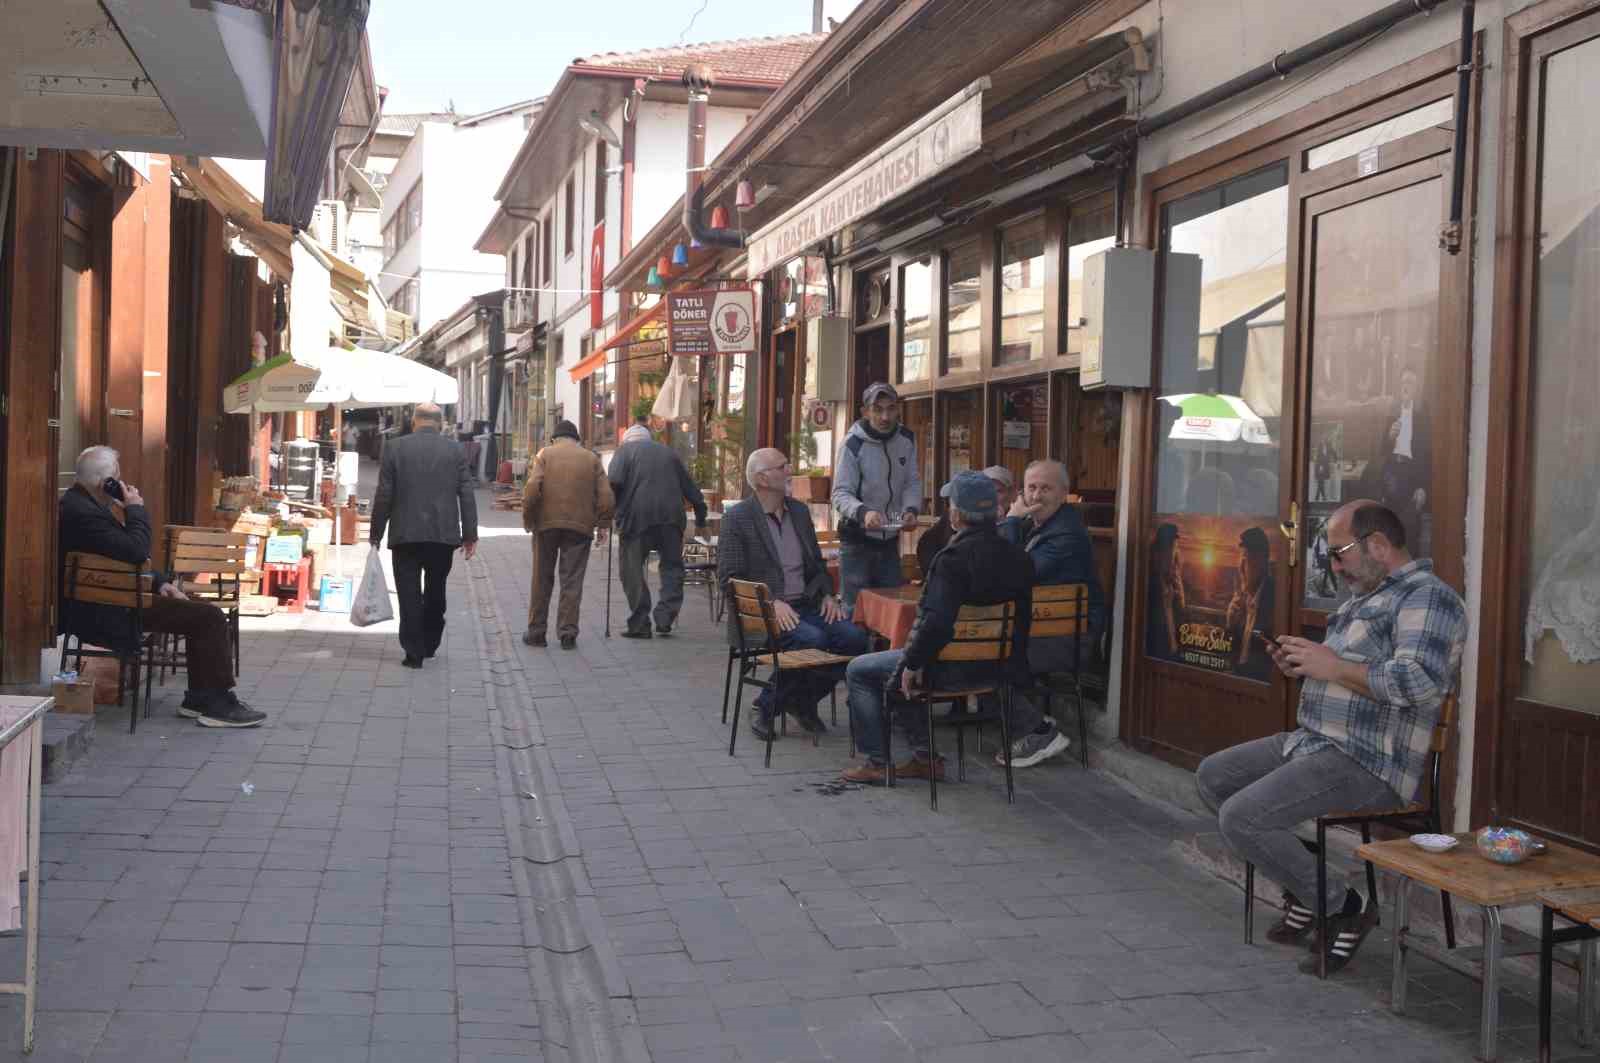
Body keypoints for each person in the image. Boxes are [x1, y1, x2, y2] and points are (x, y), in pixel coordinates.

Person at [1196, 501, 1465, 975]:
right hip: (1316, 742)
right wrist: (1303, 666)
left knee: (1242, 817)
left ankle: (1345, 906)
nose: (1334, 567)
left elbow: (1419, 683)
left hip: (1368, 760)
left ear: (1377, 545)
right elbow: (1344, 672)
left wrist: (1333, 666)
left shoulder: (1427, 598)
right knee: (1213, 778)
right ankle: (1310, 889)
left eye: (1339, 554)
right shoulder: (1363, 599)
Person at [841, 471, 1033, 785]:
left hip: (949, 670)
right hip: (1001, 669)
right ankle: (923, 759)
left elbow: (936, 624)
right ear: (995, 511)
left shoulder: (952, 559)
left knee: (861, 670)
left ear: (955, 515)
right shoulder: (1020, 558)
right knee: (903, 665)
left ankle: (877, 762)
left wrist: (911, 664)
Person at [58, 446, 266, 728]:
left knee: (198, 611)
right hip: (107, 612)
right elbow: (136, 550)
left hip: (113, 602)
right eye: (117, 478)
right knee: (210, 617)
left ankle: (201, 698)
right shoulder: (84, 514)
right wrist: (135, 509)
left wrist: (161, 582)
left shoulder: (81, 505)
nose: (122, 484)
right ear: (106, 483)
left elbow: (123, 556)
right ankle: (216, 703)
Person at [717, 449, 869, 738]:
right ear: (762, 479)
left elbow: (817, 567)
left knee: (855, 638)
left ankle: (802, 701)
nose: (790, 471)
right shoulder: (738, 519)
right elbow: (729, 579)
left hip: (807, 605)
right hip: (761, 615)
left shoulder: (798, 512)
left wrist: (827, 596)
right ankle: (764, 707)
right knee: (813, 640)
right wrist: (770, 603)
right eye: (783, 466)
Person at [992, 459, 1105, 768]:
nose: (1037, 495)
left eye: (1046, 488)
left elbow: (1014, 574)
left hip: (1069, 639)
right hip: (1040, 630)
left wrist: (1010, 521)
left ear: (1064, 493)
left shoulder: (1066, 535)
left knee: (985, 656)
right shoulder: (1037, 525)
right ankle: (1031, 721)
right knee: (982, 648)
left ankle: (1038, 731)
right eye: (1032, 487)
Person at [369, 402, 479, 668]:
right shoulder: (455, 450)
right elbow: (466, 493)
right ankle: (430, 642)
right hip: (442, 535)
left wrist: (376, 534)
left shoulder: (395, 448)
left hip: (405, 535)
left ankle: (413, 652)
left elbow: (384, 495)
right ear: (440, 424)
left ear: (414, 422)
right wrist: (470, 535)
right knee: (435, 589)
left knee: (408, 592)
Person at [607, 414, 707, 638]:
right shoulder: (668, 453)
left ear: (627, 440)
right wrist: (701, 517)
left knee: (631, 570)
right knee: (672, 567)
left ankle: (640, 623)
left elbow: (613, 484)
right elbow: (690, 488)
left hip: (636, 519)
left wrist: (608, 516)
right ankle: (665, 617)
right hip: (671, 518)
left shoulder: (623, 451)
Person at [521, 419, 614, 651]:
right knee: (572, 580)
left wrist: (529, 519)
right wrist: (603, 524)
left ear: (555, 439)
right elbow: (606, 496)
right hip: (580, 527)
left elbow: (532, 488)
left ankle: (536, 633)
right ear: (577, 440)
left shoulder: (545, 454)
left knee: (541, 578)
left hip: (546, 526)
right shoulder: (591, 458)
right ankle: (567, 633)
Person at [832, 382, 922, 612]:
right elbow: (840, 494)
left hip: (890, 540)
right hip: (857, 541)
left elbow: (912, 481)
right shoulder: (852, 444)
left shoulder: (907, 439)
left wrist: (911, 509)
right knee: (855, 611)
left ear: (898, 409)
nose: (885, 416)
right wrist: (863, 512)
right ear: (865, 412)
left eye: (891, 408)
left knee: (890, 607)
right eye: (877, 409)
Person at [915, 465, 1014, 575]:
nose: (992, 497)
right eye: (985, 492)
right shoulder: (952, 519)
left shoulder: (1017, 523)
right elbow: (927, 544)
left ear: (1011, 494)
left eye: (998, 491)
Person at [1380, 367, 1431, 555]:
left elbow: (1426, 455)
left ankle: (1411, 570)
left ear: (1416, 388)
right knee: (1390, 533)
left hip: (1412, 475)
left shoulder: (1422, 417)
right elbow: (1381, 450)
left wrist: (1423, 487)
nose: (1405, 386)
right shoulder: (1392, 413)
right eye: (1403, 382)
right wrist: (1389, 437)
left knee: (1410, 532)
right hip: (1393, 473)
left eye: (1410, 382)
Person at [1226, 526, 1277, 679]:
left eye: (1246, 559)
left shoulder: (1275, 600)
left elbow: (1266, 662)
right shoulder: (1244, 600)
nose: (1240, 568)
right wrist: (1230, 625)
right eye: (1240, 560)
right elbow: (1234, 652)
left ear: (1261, 562)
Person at [1148, 522, 1186, 658]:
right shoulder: (1150, 586)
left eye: (1173, 549)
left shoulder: (1173, 586)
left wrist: (1179, 595)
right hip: (1158, 655)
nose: (1170, 555)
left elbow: (1181, 621)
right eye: (1167, 549)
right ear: (1156, 553)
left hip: (1173, 653)